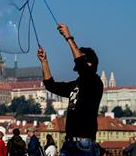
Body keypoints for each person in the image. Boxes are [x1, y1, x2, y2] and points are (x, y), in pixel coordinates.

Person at [37, 23, 104, 156]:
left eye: (82, 61)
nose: (77, 66)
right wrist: (44, 62)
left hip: (84, 143)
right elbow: (50, 85)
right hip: (69, 143)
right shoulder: (75, 84)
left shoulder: (95, 82)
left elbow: (80, 62)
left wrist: (68, 37)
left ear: (90, 63)